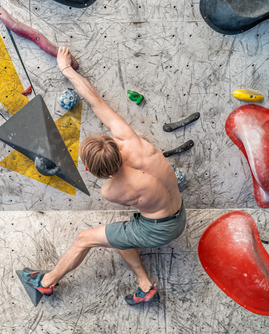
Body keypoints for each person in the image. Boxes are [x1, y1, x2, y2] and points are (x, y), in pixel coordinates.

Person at [21, 47, 186, 305]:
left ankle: (44, 283)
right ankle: (145, 286)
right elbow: (96, 101)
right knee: (116, 233)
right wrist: (66, 69)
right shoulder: (133, 141)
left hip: (160, 230)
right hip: (178, 214)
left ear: (91, 171)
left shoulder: (111, 191)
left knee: (84, 239)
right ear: (113, 142)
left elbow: (122, 186)